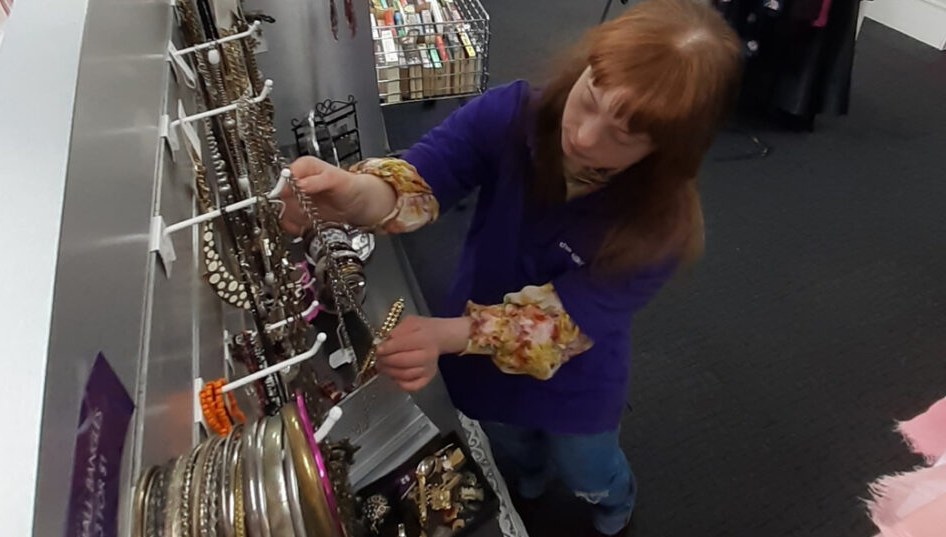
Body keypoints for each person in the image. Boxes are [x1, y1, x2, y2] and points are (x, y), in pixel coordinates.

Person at [281, 0, 743, 533]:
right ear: (584, 67)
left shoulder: (661, 226)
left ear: (667, 151)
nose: (586, 137)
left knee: (585, 467)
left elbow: (560, 325)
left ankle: (613, 498)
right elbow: (427, 173)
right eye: (589, 98)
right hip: (477, 345)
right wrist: (354, 194)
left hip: (576, 375)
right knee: (506, 439)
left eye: (624, 134)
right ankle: (526, 478)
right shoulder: (513, 112)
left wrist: (448, 333)